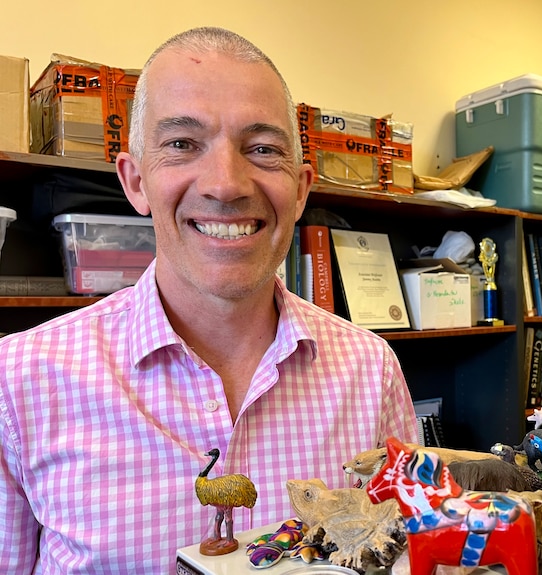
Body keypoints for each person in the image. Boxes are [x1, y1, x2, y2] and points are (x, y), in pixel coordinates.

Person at [0, 27, 417, 574]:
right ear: (136, 182)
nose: (225, 185)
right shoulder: (18, 381)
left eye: (263, 150)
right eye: (181, 144)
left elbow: (406, 549)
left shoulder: (372, 370)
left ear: (301, 191)